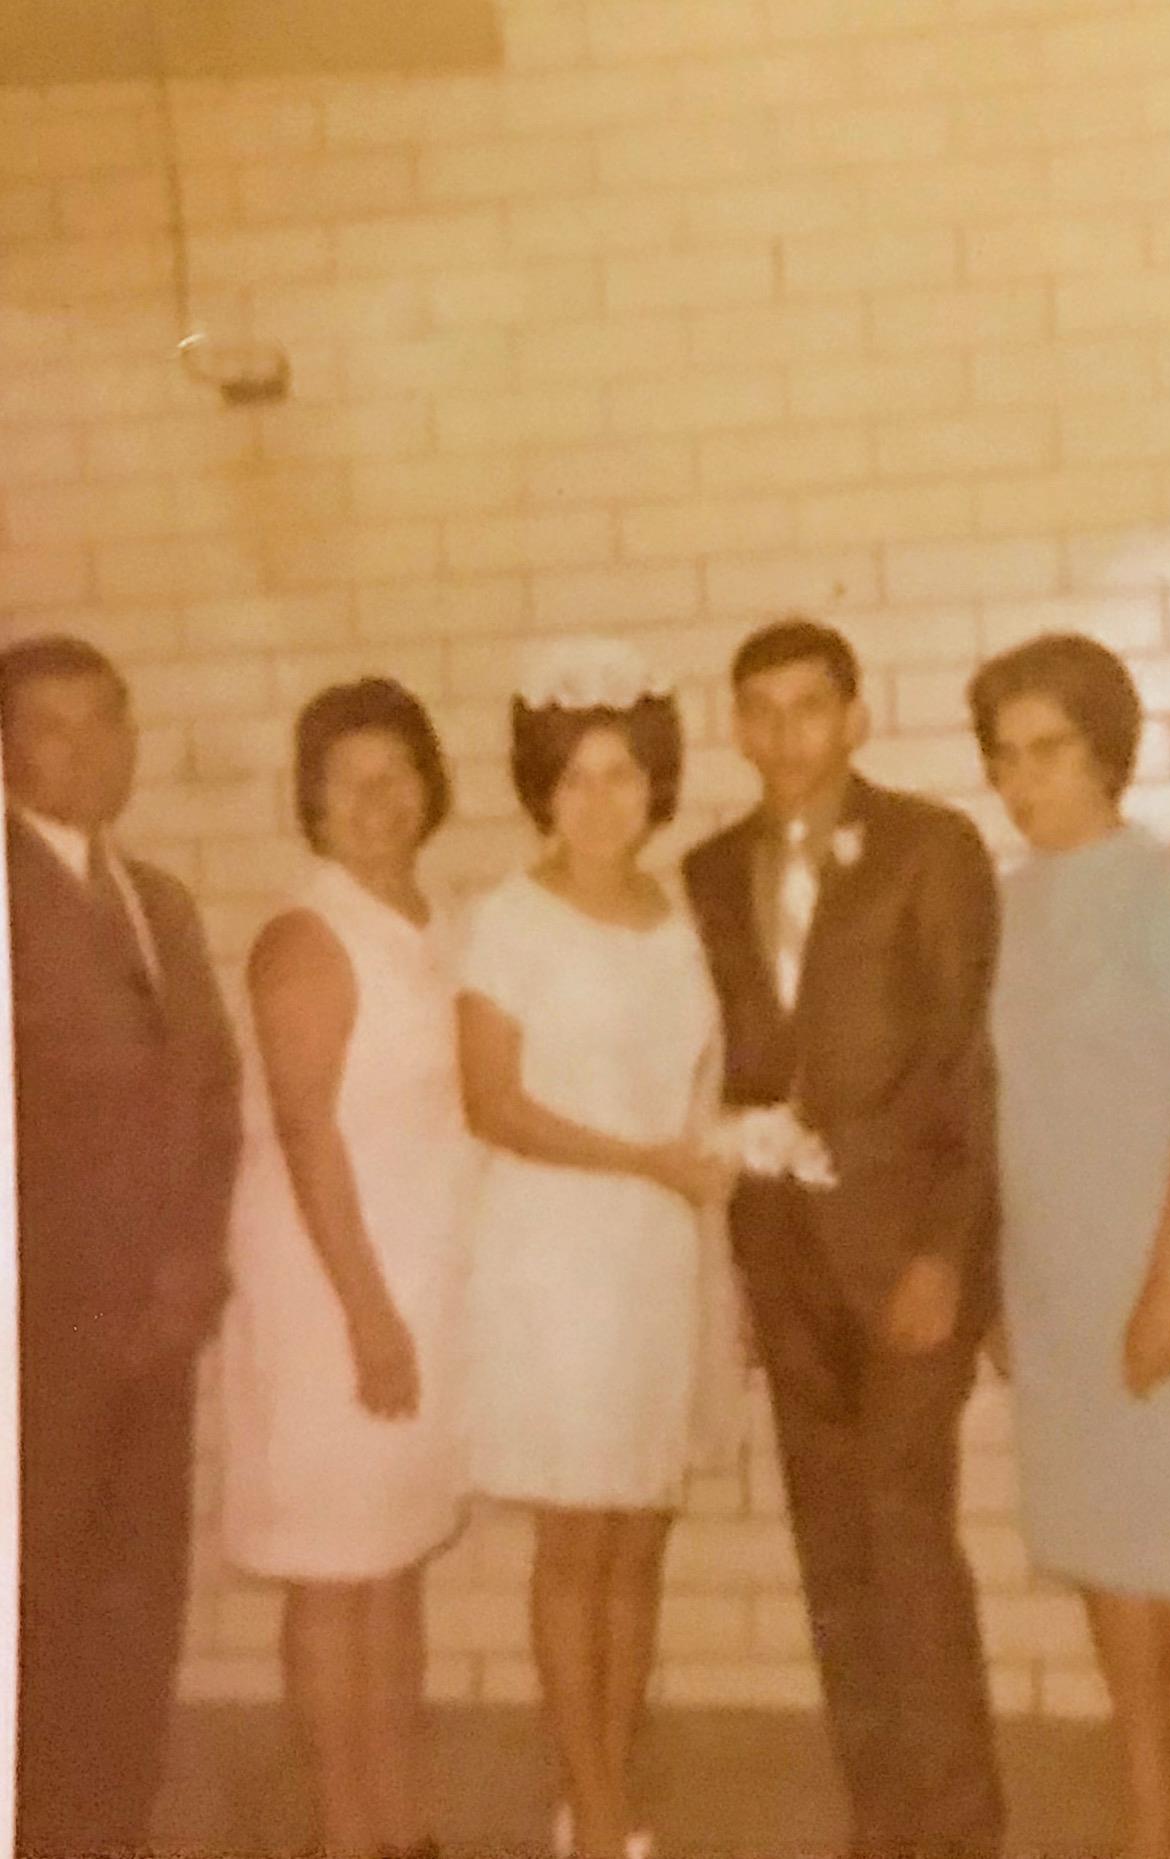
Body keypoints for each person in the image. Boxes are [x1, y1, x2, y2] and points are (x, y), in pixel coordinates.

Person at [683, 618, 1004, 1859]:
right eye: (757, 708)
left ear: (854, 716)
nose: (783, 734)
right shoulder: (709, 871)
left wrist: (943, 1253)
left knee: (903, 1531)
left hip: (906, 1254)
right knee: (831, 1548)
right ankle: (882, 1820)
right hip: (782, 1257)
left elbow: (965, 1063)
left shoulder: (930, 847)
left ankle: (960, 1827)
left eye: (808, 705)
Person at [968, 634, 1170, 1859]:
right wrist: (999, 1279)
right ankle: (1149, 1822)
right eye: (1002, 757)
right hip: (1053, 1280)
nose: (1023, 780)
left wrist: (1159, 1287)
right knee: (1107, 1560)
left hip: (1166, 1272)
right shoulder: (1006, 902)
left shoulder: (1164, 893)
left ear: (1106, 753)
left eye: (1048, 751)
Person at [458, 639, 731, 1859]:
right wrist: (645, 1165)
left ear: (656, 782)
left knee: (637, 1533)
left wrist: (704, 1165)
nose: (600, 800)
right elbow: (491, 1102)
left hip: (662, 1253)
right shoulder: (504, 920)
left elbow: (700, 1081)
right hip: (560, 1254)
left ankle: (604, 1778)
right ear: (540, 788)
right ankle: (597, 1802)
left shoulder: (679, 914)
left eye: (623, 774)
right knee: (576, 1538)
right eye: (573, 777)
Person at [220, 678, 469, 1858]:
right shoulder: (305, 934)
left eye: (396, 772)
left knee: (394, 1556)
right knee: (334, 1567)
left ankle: (404, 1827)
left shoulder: (426, 918)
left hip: (416, 1274)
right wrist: (368, 1313)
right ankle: (341, 1834)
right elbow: (308, 1132)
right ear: (309, 803)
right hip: (333, 1287)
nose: (378, 798)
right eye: (347, 780)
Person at [4, 635, 242, 1855]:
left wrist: (195, 1263)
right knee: (38, 1606)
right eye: (51, 725)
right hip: (41, 1336)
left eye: (107, 718)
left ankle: (115, 1827)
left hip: (160, 1325)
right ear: (4, 750)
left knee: (139, 1602)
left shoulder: (162, 900)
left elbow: (211, 1098)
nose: (88, 748)